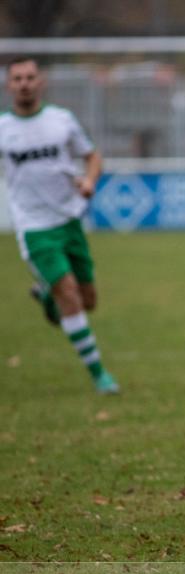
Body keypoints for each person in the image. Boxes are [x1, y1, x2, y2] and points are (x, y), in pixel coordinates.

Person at [1, 56, 119, 394]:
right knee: (69, 293)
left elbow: (92, 156)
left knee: (88, 300)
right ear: (9, 85)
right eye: (17, 78)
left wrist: (90, 181)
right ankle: (100, 375)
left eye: (30, 77)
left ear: (41, 82)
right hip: (34, 226)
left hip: (69, 220)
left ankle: (48, 297)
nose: (24, 83)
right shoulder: (3, 128)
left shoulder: (61, 120)